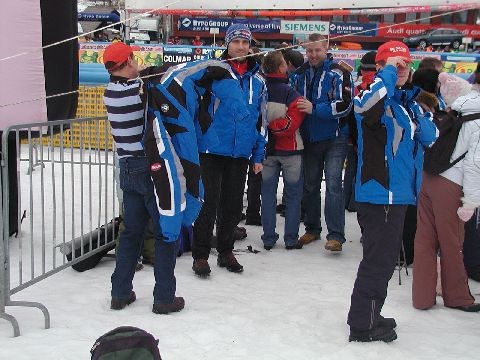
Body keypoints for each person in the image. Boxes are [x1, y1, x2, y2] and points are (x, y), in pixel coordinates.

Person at [347, 41, 438, 342]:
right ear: (382, 67)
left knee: (383, 261)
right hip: (379, 194)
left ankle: (371, 312)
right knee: (378, 261)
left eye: (405, 65)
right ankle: (363, 324)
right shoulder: (371, 98)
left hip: (398, 194)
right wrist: (387, 72)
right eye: (394, 64)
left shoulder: (405, 104)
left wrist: (416, 107)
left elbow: (430, 136)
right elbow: (365, 107)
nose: (401, 70)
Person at [103, 42, 192, 314]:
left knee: (131, 233)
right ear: (129, 59)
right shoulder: (139, 91)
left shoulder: (110, 92)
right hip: (150, 169)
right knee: (165, 231)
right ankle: (164, 297)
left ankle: (120, 292)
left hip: (127, 168)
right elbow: (160, 80)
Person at [191, 23, 267, 276]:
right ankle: (201, 255)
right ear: (227, 44)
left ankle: (225, 251)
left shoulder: (258, 81)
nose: (241, 47)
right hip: (211, 148)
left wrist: (258, 154)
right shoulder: (213, 72)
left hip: (240, 152)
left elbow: (261, 120)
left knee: (233, 205)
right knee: (208, 203)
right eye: (236, 42)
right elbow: (193, 102)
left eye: (245, 43)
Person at [412, 65, 480, 312]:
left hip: (429, 178)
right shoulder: (478, 120)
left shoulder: (459, 108)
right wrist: (471, 202)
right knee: (452, 242)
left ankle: (422, 297)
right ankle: (458, 297)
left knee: (425, 239)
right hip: (451, 185)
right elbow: (474, 166)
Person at [293, 33, 353, 251]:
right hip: (309, 138)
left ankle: (336, 235)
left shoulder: (340, 72)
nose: (313, 55)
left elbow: (345, 104)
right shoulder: (299, 74)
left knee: (334, 185)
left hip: (335, 138)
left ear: (326, 48)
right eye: (309, 51)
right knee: (310, 186)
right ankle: (312, 229)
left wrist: (315, 109)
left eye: (317, 50)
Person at [261, 50, 308, 250]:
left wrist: (266, 128)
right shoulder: (291, 93)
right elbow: (292, 123)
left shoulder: (258, 89)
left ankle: (269, 237)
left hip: (266, 151)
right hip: (291, 150)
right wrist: (275, 127)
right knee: (293, 196)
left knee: (268, 195)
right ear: (282, 68)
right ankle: (290, 238)